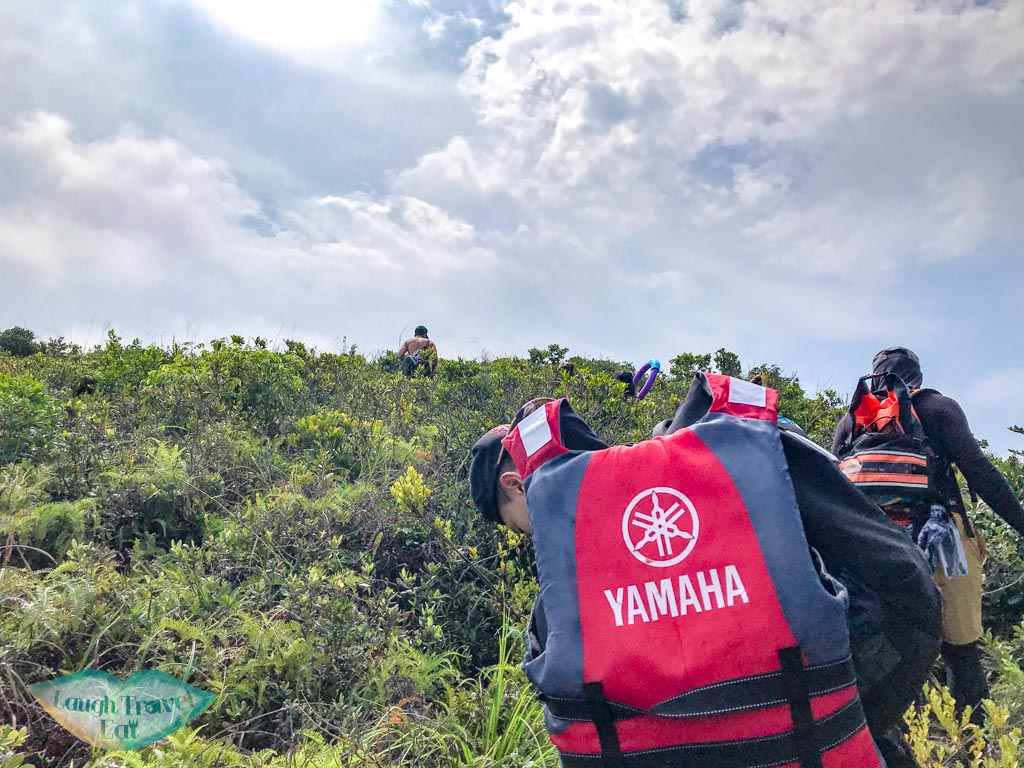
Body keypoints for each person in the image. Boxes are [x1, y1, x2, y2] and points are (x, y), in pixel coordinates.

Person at [470, 373, 941, 768]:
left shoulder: (567, 580)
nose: (531, 537)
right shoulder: (743, 460)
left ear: (519, 486)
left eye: (518, 525)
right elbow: (903, 578)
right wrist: (858, 715)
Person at [834, 346, 1024, 722]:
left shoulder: (853, 419)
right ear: (917, 377)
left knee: (891, 647)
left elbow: (836, 484)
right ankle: (972, 739)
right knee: (960, 648)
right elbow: (980, 472)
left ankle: (897, 735)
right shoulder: (939, 408)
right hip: (943, 539)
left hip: (874, 545)